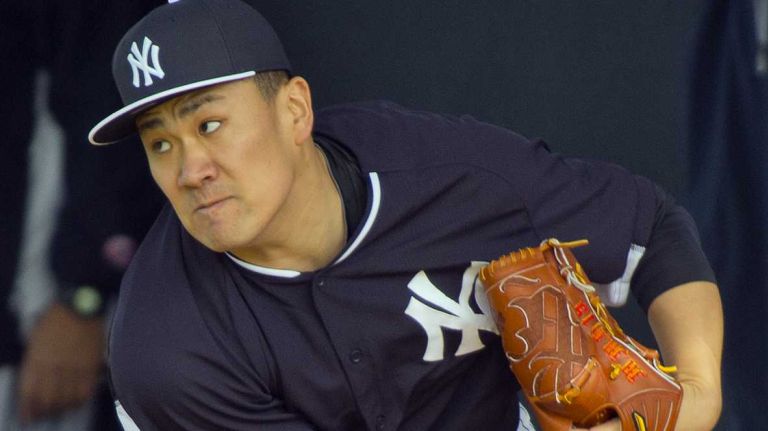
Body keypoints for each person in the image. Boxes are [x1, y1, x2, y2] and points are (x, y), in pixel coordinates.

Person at [88, 0, 723, 430]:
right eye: (160, 142)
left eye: (211, 123)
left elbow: (655, 231)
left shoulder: (450, 176)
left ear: (294, 112)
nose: (189, 167)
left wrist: (699, 391)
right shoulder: (166, 345)